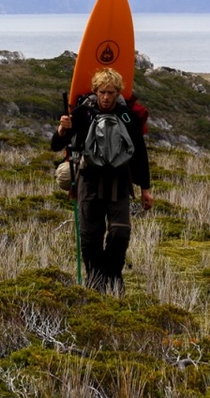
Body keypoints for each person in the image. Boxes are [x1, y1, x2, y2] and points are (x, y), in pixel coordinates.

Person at [51, 67, 154, 294]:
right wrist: (61, 130)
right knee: (90, 239)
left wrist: (145, 188)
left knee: (120, 233)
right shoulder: (81, 113)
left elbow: (140, 153)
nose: (106, 97)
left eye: (111, 92)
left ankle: (114, 274)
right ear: (95, 91)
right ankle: (95, 281)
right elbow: (56, 146)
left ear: (118, 92)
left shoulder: (127, 117)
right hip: (89, 182)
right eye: (102, 92)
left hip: (119, 183)